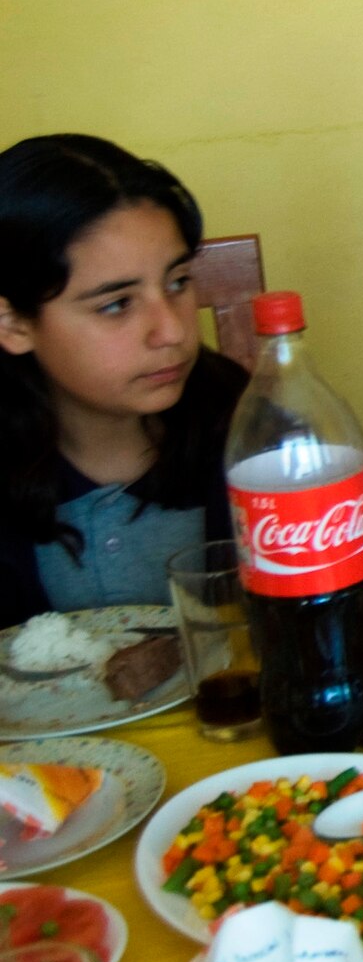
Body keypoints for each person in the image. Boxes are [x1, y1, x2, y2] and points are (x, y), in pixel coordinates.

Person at [0, 135, 247, 628]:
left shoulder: (253, 425)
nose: (174, 331)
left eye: (177, 282)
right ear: (13, 324)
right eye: (116, 304)